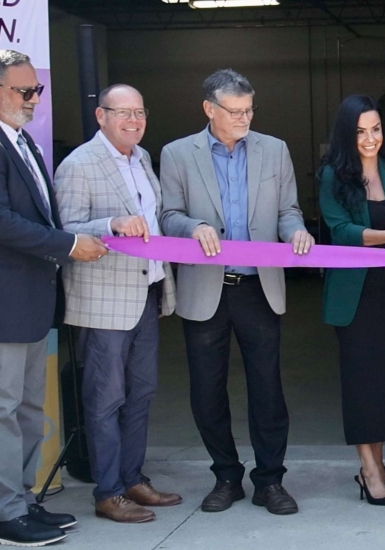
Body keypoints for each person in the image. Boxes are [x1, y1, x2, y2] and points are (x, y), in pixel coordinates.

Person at [160, 69, 314, 516]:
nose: (245, 118)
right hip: (204, 288)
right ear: (210, 109)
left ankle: (270, 481)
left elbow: (288, 211)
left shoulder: (275, 150)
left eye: (249, 110)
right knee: (207, 390)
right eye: (235, 111)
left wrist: (297, 232)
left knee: (267, 389)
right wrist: (194, 227)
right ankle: (226, 476)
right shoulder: (176, 154)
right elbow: (167, 215)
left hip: (258, 287)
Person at [55, 84, 182, 524]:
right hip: (103, 299)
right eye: (122, 112)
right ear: (100, 116)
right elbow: (66, 228)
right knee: (106, 398)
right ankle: (107, 491)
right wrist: (111, 223)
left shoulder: (142, 159)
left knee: (141, 393)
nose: (133, 120)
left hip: (147, 290)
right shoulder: (78, 165)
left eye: (140, 112)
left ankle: (132, 479)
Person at [0, 49, 105, 546]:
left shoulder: (24, 144)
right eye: (25, 91)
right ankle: (5, 510)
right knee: (3, 410)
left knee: (25, 411)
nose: (34, 99)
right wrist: (67, 245)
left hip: (32, 302)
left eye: (36, 89)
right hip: (5, 303)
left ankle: (20, 501)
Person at [319, 94, 385, 507]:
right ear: (347, 134)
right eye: (361, 131)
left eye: (376, 129)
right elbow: (339, 229)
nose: (370, 138)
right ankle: (369, 470)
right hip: (355, 298)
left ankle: (377, 463)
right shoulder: (333, 175)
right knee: (361, 385)